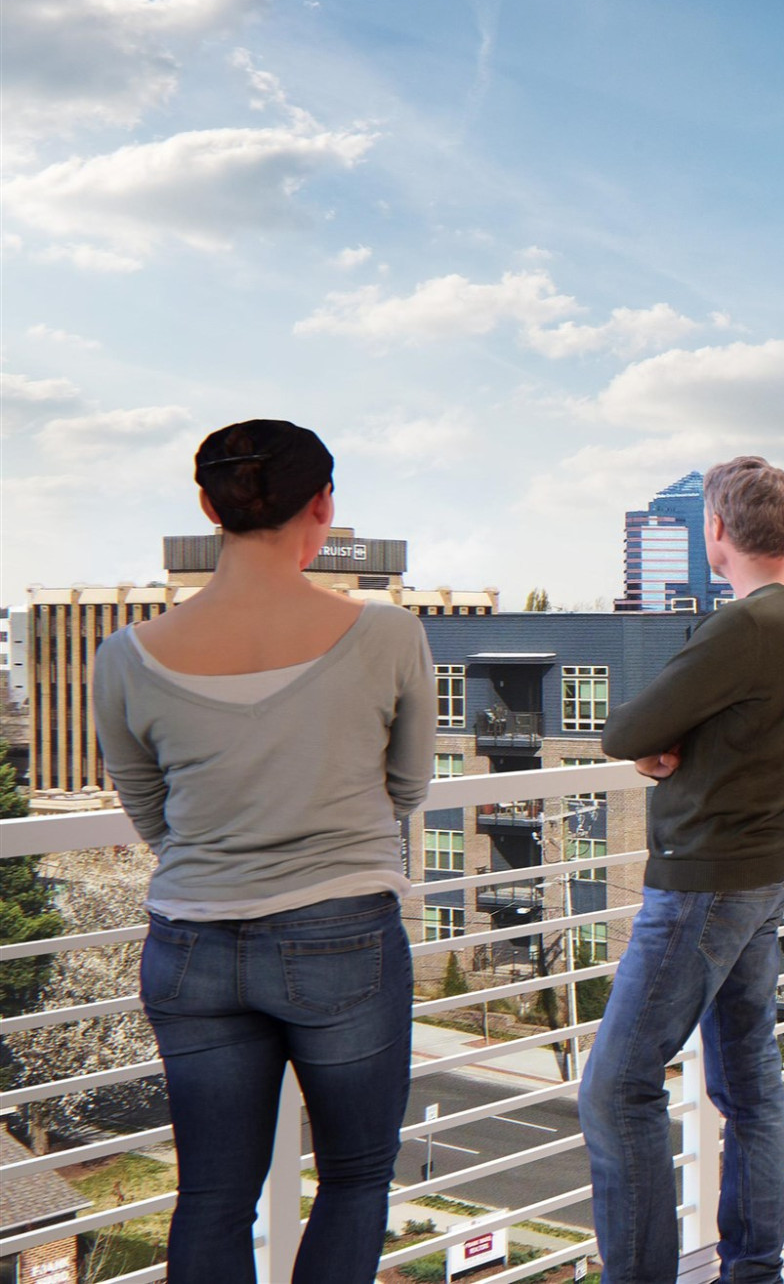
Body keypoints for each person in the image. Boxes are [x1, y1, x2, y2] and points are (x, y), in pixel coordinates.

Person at [96, 420, 434, 1283]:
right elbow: (407, 786)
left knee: (211, 1195)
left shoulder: (124, 656)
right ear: (323, 506)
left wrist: (223, 852)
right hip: (341, 935)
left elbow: (147, 805)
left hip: (190, 943)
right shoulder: (390, 636)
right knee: (356, 1177)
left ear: (208, 505)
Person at [579, 457, 784, 1284]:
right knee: (750, 1083)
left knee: (616, 1089)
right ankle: (753, 1271)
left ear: (716, 531)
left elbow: (625, 730)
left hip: (706, 879)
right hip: (766, 867)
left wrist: (659, 754)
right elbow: (742, 730)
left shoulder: (748, 625)